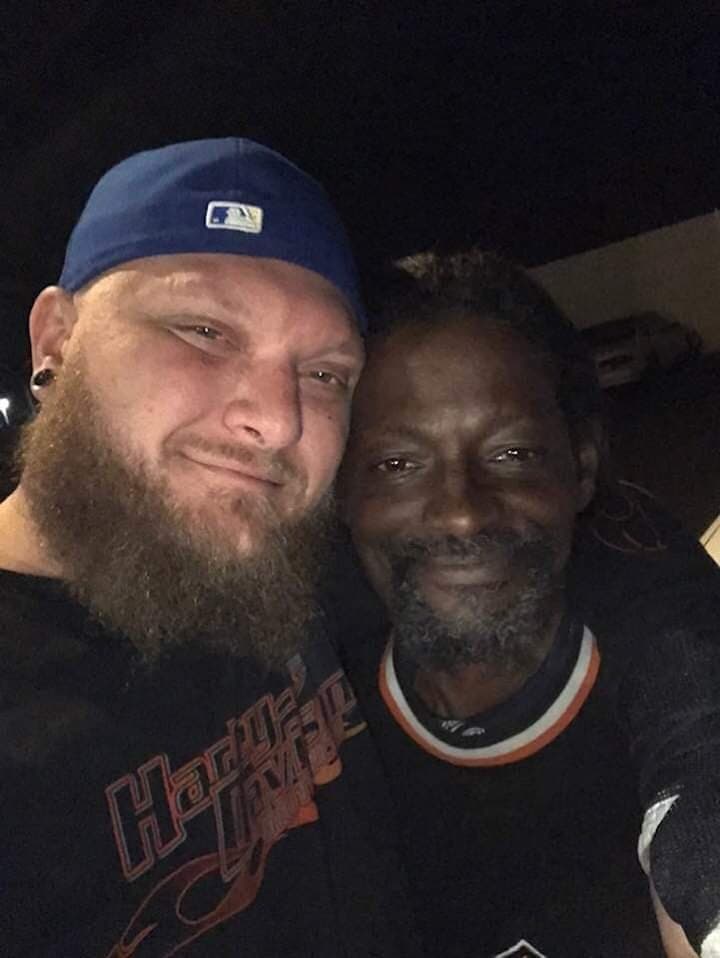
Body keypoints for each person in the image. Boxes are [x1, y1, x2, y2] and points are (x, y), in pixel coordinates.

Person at [0, 139, 419, 957]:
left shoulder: (288, 564)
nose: (279, 421)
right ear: (55, 341)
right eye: (204, 330)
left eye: (325, 375)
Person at [337, 250, 720, 958]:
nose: (460, 512)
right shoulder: (312, 691)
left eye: (511, 454)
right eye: (398, 464)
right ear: (342, 493)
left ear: (581, 468)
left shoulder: (661, 644)